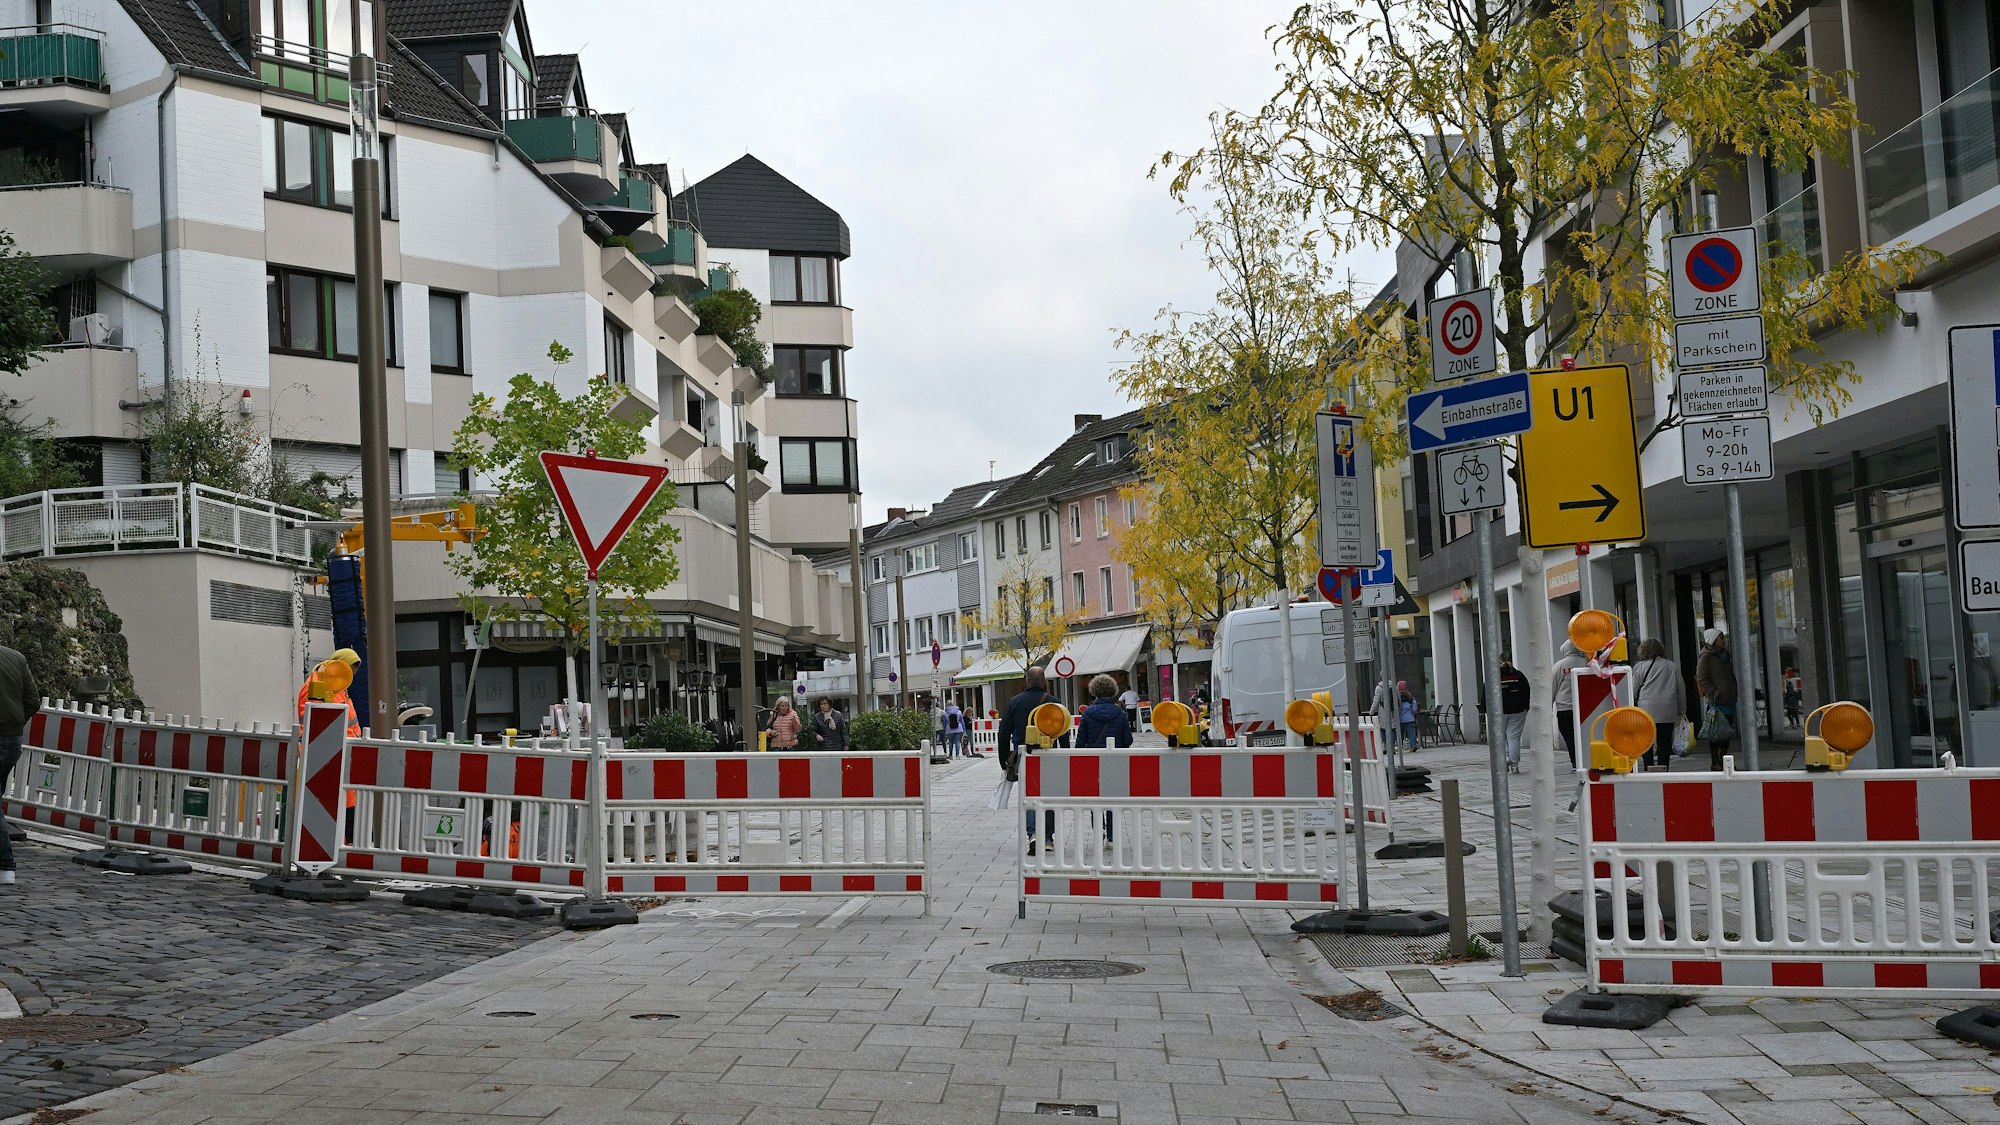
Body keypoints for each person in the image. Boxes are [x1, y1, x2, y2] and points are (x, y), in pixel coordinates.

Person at [1000, 666, 1061, 854]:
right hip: (1049, 756)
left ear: (1026, 681)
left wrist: (1004, 760)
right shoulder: (1053, 703)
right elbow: (1063, 730)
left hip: (1025, 757)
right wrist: (1065, 755)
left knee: (1030, 796)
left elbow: (1003, 734)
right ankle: (1048, 838)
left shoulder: (1014, 702)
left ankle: (1033, 834)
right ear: (1044, 681)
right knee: (1048, 796)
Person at [0, 641, 39, 886]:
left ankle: (5, 864)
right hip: (10, 740)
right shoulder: (15, 656)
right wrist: (14, 724)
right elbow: (33, 701)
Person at [1077, 675, 1131, 843]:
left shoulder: (1087, 714)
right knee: (1113, 797)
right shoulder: (1120, 714)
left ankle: (1099, 827)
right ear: (1113, 691)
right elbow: (1128, 740)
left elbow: (1080, 743)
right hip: (1115, 761)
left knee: (1096, 796)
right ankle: (1112, 838)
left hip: (1094, 761)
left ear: (1094, 692)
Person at [1629, 639, 1686, 771]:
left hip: (1646, 710)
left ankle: (1648, 765)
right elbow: (1680, 688)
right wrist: (1682, 709)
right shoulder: (1672, 666)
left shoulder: (1640, 667)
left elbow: (1632, 689)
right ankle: (1664, 767)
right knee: (1664, 741)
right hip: (1668, 709)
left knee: (1646, 740)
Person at [1695, 627, 1738, 770]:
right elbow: (1702, 678)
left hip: (1729, 699)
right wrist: (1714, 692)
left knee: (1726, 733)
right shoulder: (1706, 656)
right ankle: (1715, 762)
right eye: (1721, 638)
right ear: (1713, 640)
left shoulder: (1725, 656)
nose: (1723, 641)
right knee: (1716, 733)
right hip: (1716, 701)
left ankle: (1723, 760)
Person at [1551, 640, 1588, 768]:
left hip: (1564, 709)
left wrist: (1549, 706)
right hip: (1586, 707)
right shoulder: (1587, 663)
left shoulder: (1559, 666)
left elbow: (1552, 687)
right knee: (1585, 736)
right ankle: (1586, 760)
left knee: (1570, 738)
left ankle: (1575, 763)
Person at [1498, 656, 1530, 772]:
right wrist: (1526, 707)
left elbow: (1486, 695)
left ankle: (1506, 757)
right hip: (1518, 710)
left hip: (1499, 711)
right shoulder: (1518, 675)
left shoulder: (1494, 677)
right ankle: (1515, 765)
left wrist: (1486, 710)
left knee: (1500, 737)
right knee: (1513, 738)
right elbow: (1527, 691)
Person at [1397, 681, 1418, 751]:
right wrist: (1412, 714)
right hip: (1410, 718)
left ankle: (1400, 746)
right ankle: (1413, 745)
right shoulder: (1410, 697)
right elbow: (1415, 708)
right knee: (1411, 733)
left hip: (1400, 718)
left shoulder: (1396, 697)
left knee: (1400, 733)